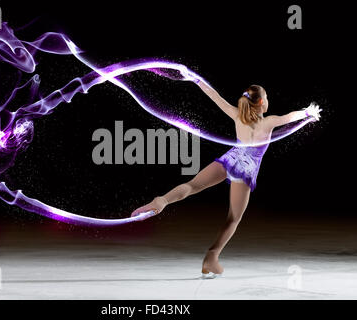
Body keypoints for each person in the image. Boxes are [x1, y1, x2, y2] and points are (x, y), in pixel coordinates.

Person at [131, 81, 321, 278]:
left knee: (192, 185)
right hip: (246, 168)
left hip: (231, 157)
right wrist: (308, 113)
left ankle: (162, 200)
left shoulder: (237, 115)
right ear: (263, 102)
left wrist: (194, 79)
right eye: (267, 99)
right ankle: (211, 257)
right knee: (233, 218)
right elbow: (289, 117)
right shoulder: (269, 121)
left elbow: (214, 96)